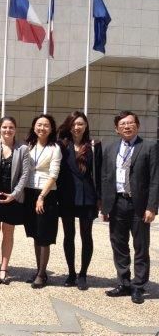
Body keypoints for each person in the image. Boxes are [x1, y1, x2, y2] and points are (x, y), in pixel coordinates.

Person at [101, 111, 158, 304]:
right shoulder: (110, 148)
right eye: (123, 124)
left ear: (137, 126)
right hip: (117, 202)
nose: (127, 126)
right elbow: (105, 177)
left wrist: (152, 207)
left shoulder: (149, 147)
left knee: (141, 246)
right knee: (119, 244)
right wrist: (104, 204)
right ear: (117, 129)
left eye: (131, 123)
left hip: (139, 204)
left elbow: (155, 179)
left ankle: (139, 286)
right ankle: (124, 283)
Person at [0, 116, 31, 285]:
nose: (7, 130)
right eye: (4, 127)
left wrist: (15, 194)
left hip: (13, 197)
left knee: (8, 233)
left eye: (11, 127)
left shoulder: (23, 148)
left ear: (15, 129)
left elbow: (25, 174)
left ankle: (4, 268)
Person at [57, 111, 102, 291]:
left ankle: (83, 273)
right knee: (68, 235)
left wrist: (100, 198)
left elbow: (98, 173)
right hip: (67, 195)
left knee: (86, 235)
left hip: (87, 196)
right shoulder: (61, 145)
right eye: (74, 124)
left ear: (86, 126)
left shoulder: (94, 145)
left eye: (81, 124)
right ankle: (71, 272)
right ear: (69, 125)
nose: (77, 127)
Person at [23, 114, 62, 289]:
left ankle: (42, 274)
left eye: (46, 125)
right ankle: (39, 269)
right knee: (35, 234)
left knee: (44, 235)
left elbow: (54, 175)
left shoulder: (55, 148)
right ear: (33, 126)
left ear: (52, 128)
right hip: (29, 192)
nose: (42, 128)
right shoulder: (28, 146)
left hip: (46, 194)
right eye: (39, 125)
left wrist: (42, 197)